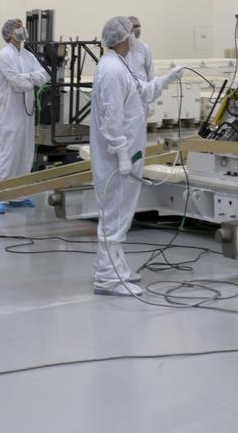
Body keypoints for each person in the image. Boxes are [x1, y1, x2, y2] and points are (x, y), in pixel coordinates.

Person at [91, 15, 185, 296]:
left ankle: (116, 268)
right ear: (122, 38)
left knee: (121, 214)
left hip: (130, 152)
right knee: (114, 216)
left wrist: (166, 80)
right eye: (131, 33)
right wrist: (120, 153)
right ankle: (107, 277)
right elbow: (111, 119)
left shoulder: (122, 65)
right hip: (116, 158)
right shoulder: (111, 70)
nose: (135, 37)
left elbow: (142, 91)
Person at [0, 18, 47, 215]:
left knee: (25, 153)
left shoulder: (27, 55)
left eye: (21, 26)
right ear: (9, 34)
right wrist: (30, 78)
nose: (21, 30)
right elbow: (17, 83)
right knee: (8, 154)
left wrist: (28, 78)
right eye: (17, 28)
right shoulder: (4, 55)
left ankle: (18, 195)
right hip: (9, 113)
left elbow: (44, 76)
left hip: (26, 113)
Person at [126, 16, 155, 84]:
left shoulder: (145, 48)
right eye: (135, 26)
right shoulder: (121, 48)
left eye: (139, 26)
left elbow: (150, 73)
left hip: (143, 90)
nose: (138, 29)